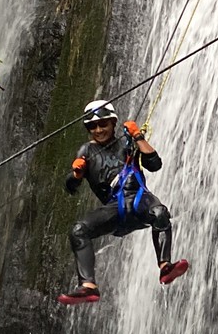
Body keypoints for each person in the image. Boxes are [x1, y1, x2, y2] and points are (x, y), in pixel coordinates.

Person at [57, 99, 189, 305]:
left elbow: (154, 164)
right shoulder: (86, 151)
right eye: (92, 126)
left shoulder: (126, 144)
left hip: (139, 199)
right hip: (114, 208)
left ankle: (165, 267)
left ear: (113, 123)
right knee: (78, 230)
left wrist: (138, 137)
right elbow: (70, 187)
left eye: (103, 124)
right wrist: (76, 174)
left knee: (160, 213)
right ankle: (88, 286)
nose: (98, 129)